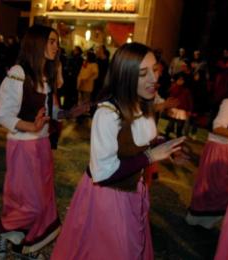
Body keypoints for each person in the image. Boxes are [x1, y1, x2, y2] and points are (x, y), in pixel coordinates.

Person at [50, 42, 185, 260]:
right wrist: (151, 156)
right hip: (110, 198)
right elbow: (103, 173)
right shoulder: (108, 114)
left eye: (155, 70)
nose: (154, 78)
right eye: (143, 73)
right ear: (126, 76)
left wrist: (165, 145)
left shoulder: (143, 104)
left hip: (132, 192)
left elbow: (141, 139)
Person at [0, 25, 62, 260]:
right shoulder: (19, 74)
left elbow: (50, 114)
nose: (56, 46)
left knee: (44, 201)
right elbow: (2, 114)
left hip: (42, 145)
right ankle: (2, 229)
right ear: (37, 43)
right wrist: (31, 126)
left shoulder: (46, 76)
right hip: (23, 145)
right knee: (29, 201)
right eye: (51, 41)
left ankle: (28, 246)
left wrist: (69, 114)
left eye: (56, 42)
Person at [186, 96, 228, 229]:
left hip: (226, 149)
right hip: (220, 148)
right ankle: (197, 219)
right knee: (211, 187)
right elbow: (218, 128)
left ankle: (208, 221)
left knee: (223, 190)